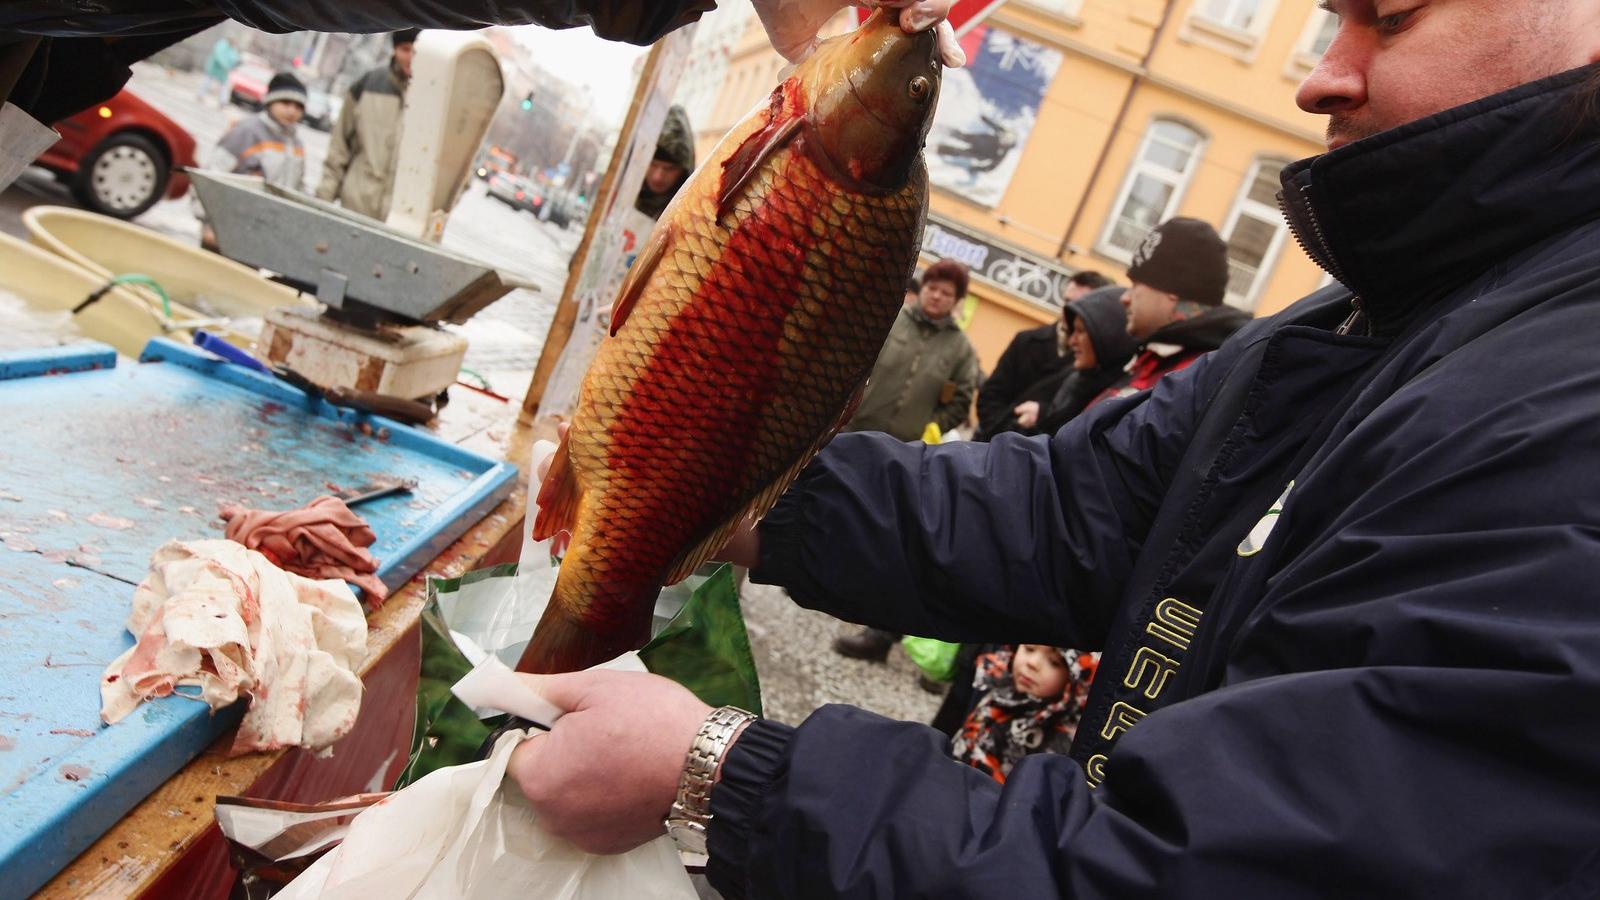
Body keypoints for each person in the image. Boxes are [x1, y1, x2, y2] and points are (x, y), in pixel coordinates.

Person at [503, 2, 1600, 897]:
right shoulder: (1362, 319)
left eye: (1387, 18)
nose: (1321, 74)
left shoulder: (1562, 400)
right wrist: (719, 489)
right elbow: (1072, 513)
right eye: (1330, 20)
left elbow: (1254, 865)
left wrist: (721, 776)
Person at [830, 258, 979, 663]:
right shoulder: (891, 321)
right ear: (925, 287)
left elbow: (963, 395)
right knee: (831, 501)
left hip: (902, 453)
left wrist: (934, 426)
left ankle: (850, 592)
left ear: (956, 302)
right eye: (933, 287)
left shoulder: (961, 350)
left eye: (947, 293)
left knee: (873, 521)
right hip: (852, 433)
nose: (937, 296)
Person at [973, 269, 1110, 441]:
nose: (1068, 310)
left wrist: (1043, 414)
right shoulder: (1026, 340)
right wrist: (1002, 436)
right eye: (1067, 301)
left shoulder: (1096, 360)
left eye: (1079, 305)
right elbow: (990, 394)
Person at [949, 644, 1097, 784]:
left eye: (1054, 662)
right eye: (1029, 648)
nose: (1032, 663)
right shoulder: (1001, 687)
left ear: (1075, 679)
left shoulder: (1061, 743)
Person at [195, 71, 307, 249]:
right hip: (225, 230)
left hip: (262, 236)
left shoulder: (296, 145)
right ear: (271, 101)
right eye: (285, 103)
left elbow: (297, 187)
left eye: (298, 106)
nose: (292, 111)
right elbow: (210, 176)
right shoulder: (247, 132)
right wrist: (208, 224)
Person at [314, 29, 417, 220]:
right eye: (405, 49)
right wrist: (323, 200)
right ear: (395, 49)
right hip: (356, 205)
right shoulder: (368, 84)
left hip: (404, 217)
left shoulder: (437, 97)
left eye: (416, 51)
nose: (411, 57)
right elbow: (340, 146)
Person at [634, 104, 695, 219]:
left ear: (683, 170)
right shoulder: (621, 194)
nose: (658, 177)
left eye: (669, 169)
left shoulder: (689, 214)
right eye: (652, 164)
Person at [197, 33, 239, 105]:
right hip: (215, 68)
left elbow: (234, 58)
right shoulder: (222, 45)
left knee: (224, 86)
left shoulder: (232, 48)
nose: (234, 42)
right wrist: (225, 65)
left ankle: (222, 101)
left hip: (223, 72)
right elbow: (219, 56)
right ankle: (200, 95)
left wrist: (234, 64)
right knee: (207, 81)